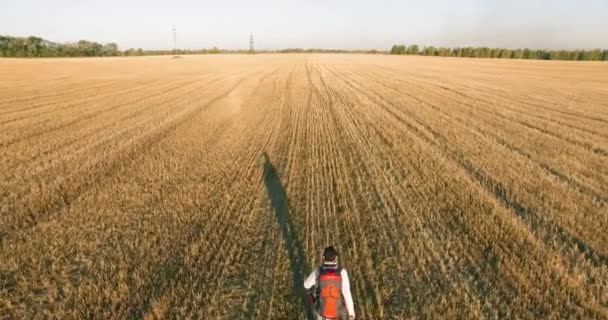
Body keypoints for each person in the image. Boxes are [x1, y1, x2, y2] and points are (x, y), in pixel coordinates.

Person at [304, 246, 355, 320]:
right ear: (335, 258)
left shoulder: (318, 271)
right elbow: (347, 293)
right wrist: (351, 314)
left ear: (323, 258)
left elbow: (306, 285)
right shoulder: (342, 272)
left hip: (321, 313)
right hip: (338, 314)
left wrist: (310, 293)